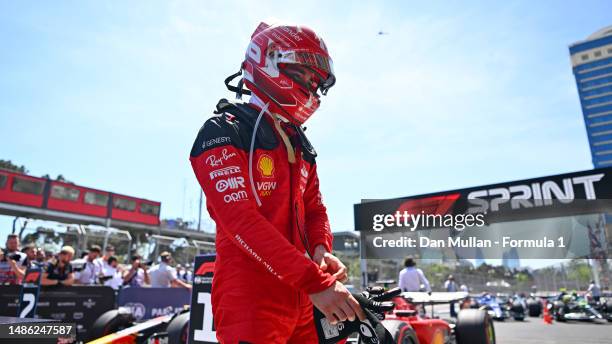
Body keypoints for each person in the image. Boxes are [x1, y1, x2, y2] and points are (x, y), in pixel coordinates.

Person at [190, 21, 364, 342]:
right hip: (252, 295)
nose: (310, 87)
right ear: (267, 60)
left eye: (316, 81)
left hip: (308, 295)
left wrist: (321, 250)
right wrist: (315, 282)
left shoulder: (301, 144)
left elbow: (315, 210)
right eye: (302, 74)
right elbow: (239, 220)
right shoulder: (223, 130)